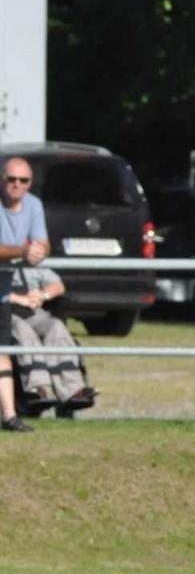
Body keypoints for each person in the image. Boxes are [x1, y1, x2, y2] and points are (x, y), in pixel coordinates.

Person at [0, 156, 50, 432]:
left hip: (2, 292)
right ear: (2, 180)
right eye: (11, 179)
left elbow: (43, 242)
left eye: (23, 180)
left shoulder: (34, 205)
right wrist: (22, 250)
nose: (17, 185)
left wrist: (39, 251)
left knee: (2, 351)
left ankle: (9, 417)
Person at [10, 266, 95, 416]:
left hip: (31, 311)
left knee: (55, 326)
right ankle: (38, 388)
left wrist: (43, 295)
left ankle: (72, 391)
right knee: (23, 330)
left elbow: (58, 285)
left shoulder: (27, 263)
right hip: (5, 314)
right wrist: (18, 299)